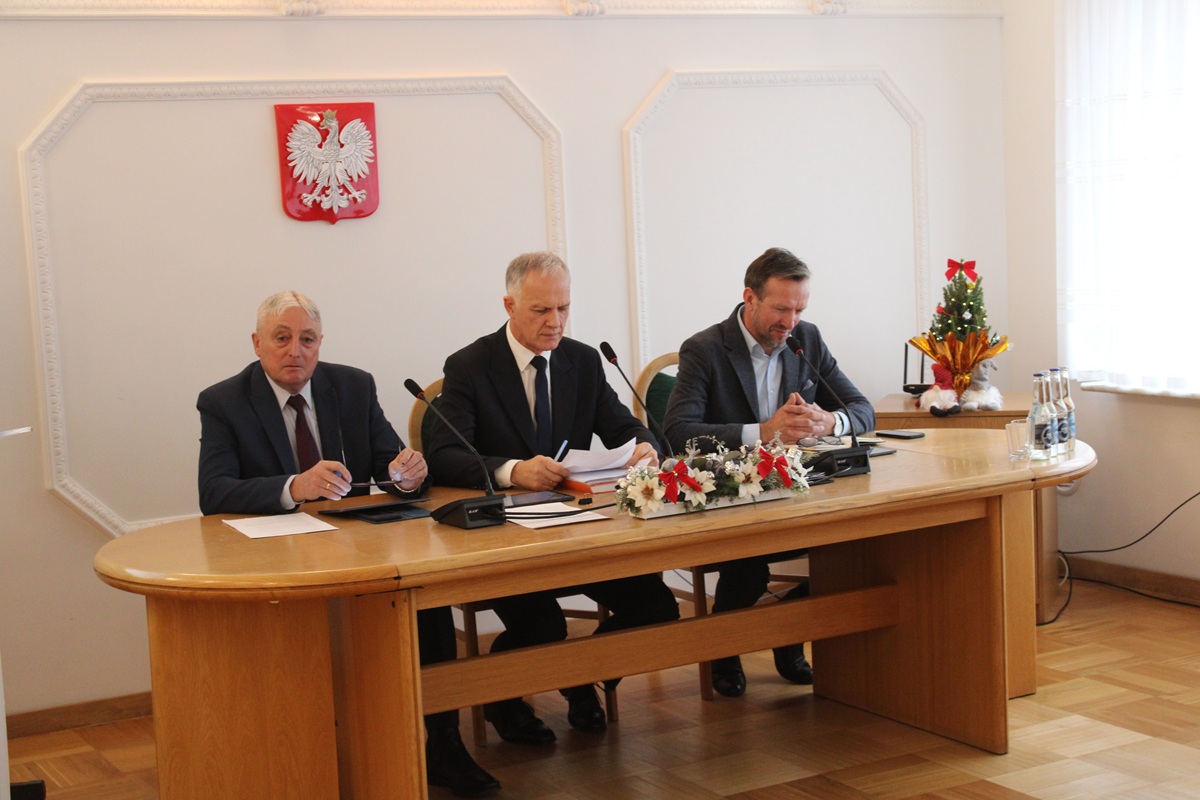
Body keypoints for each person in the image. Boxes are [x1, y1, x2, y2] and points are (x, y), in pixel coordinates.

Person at [197, 290, 499, 798]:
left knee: (422, 599)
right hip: (276, 558)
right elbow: (213, 491)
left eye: (307, 339)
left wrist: (407, 474)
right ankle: (302, 753)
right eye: (282, 338)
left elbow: (391, 465)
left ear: (320, 343)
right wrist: (294, 486)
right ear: (257, 343)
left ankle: (443, 744)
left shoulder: (353, 386)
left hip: (361, 549)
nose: (295, 351)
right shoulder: (224, 400)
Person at [426, 251, 680, 746]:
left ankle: (579, 677)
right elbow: (444, 455)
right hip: (505, 538)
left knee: (655, 606)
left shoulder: (581, 360)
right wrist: (512, 470)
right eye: (541, 310)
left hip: (578, 529)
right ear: (509, 306)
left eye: (564, 308)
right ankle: (503, 701)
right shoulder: (470, 365)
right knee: (542, 624)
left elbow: (622, 425)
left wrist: (644, 444)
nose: (555, 322)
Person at [663, 247, 875, 698]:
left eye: (800, 310)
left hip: (798, 487)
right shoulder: (705, 349)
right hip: (733, 493)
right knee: (749, 568)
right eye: (781, 309)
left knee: (856, 547)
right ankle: (724, 649)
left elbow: (862, 408)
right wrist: (762, 432)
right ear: (750, 299)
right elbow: (678, 432)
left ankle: (789, 634)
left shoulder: (806, 339)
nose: (790, 322)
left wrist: (829, 422)